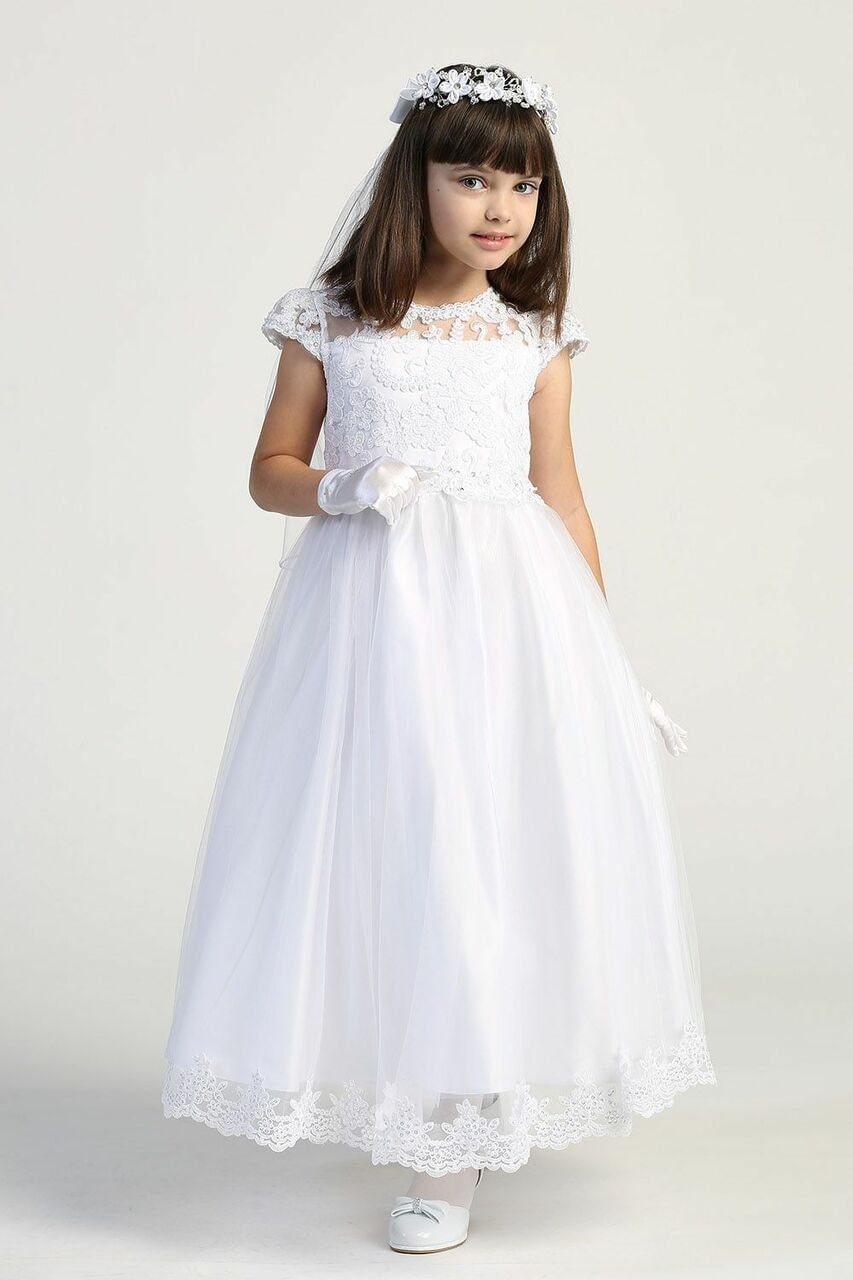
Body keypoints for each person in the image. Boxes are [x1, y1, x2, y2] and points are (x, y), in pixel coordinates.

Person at [161, 61, 717, 1255]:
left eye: (520, 179)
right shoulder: (331, 318)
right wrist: (343, 488)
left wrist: (604, 663)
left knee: (494, 837)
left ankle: (456, 1124)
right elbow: (269, 467)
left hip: (511, 616)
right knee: (402, 838)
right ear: (414, 179)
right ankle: (419, 1096)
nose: (497, 204)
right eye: (470, 175)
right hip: (371, 612)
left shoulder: (533, 335)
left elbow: (562, 499)